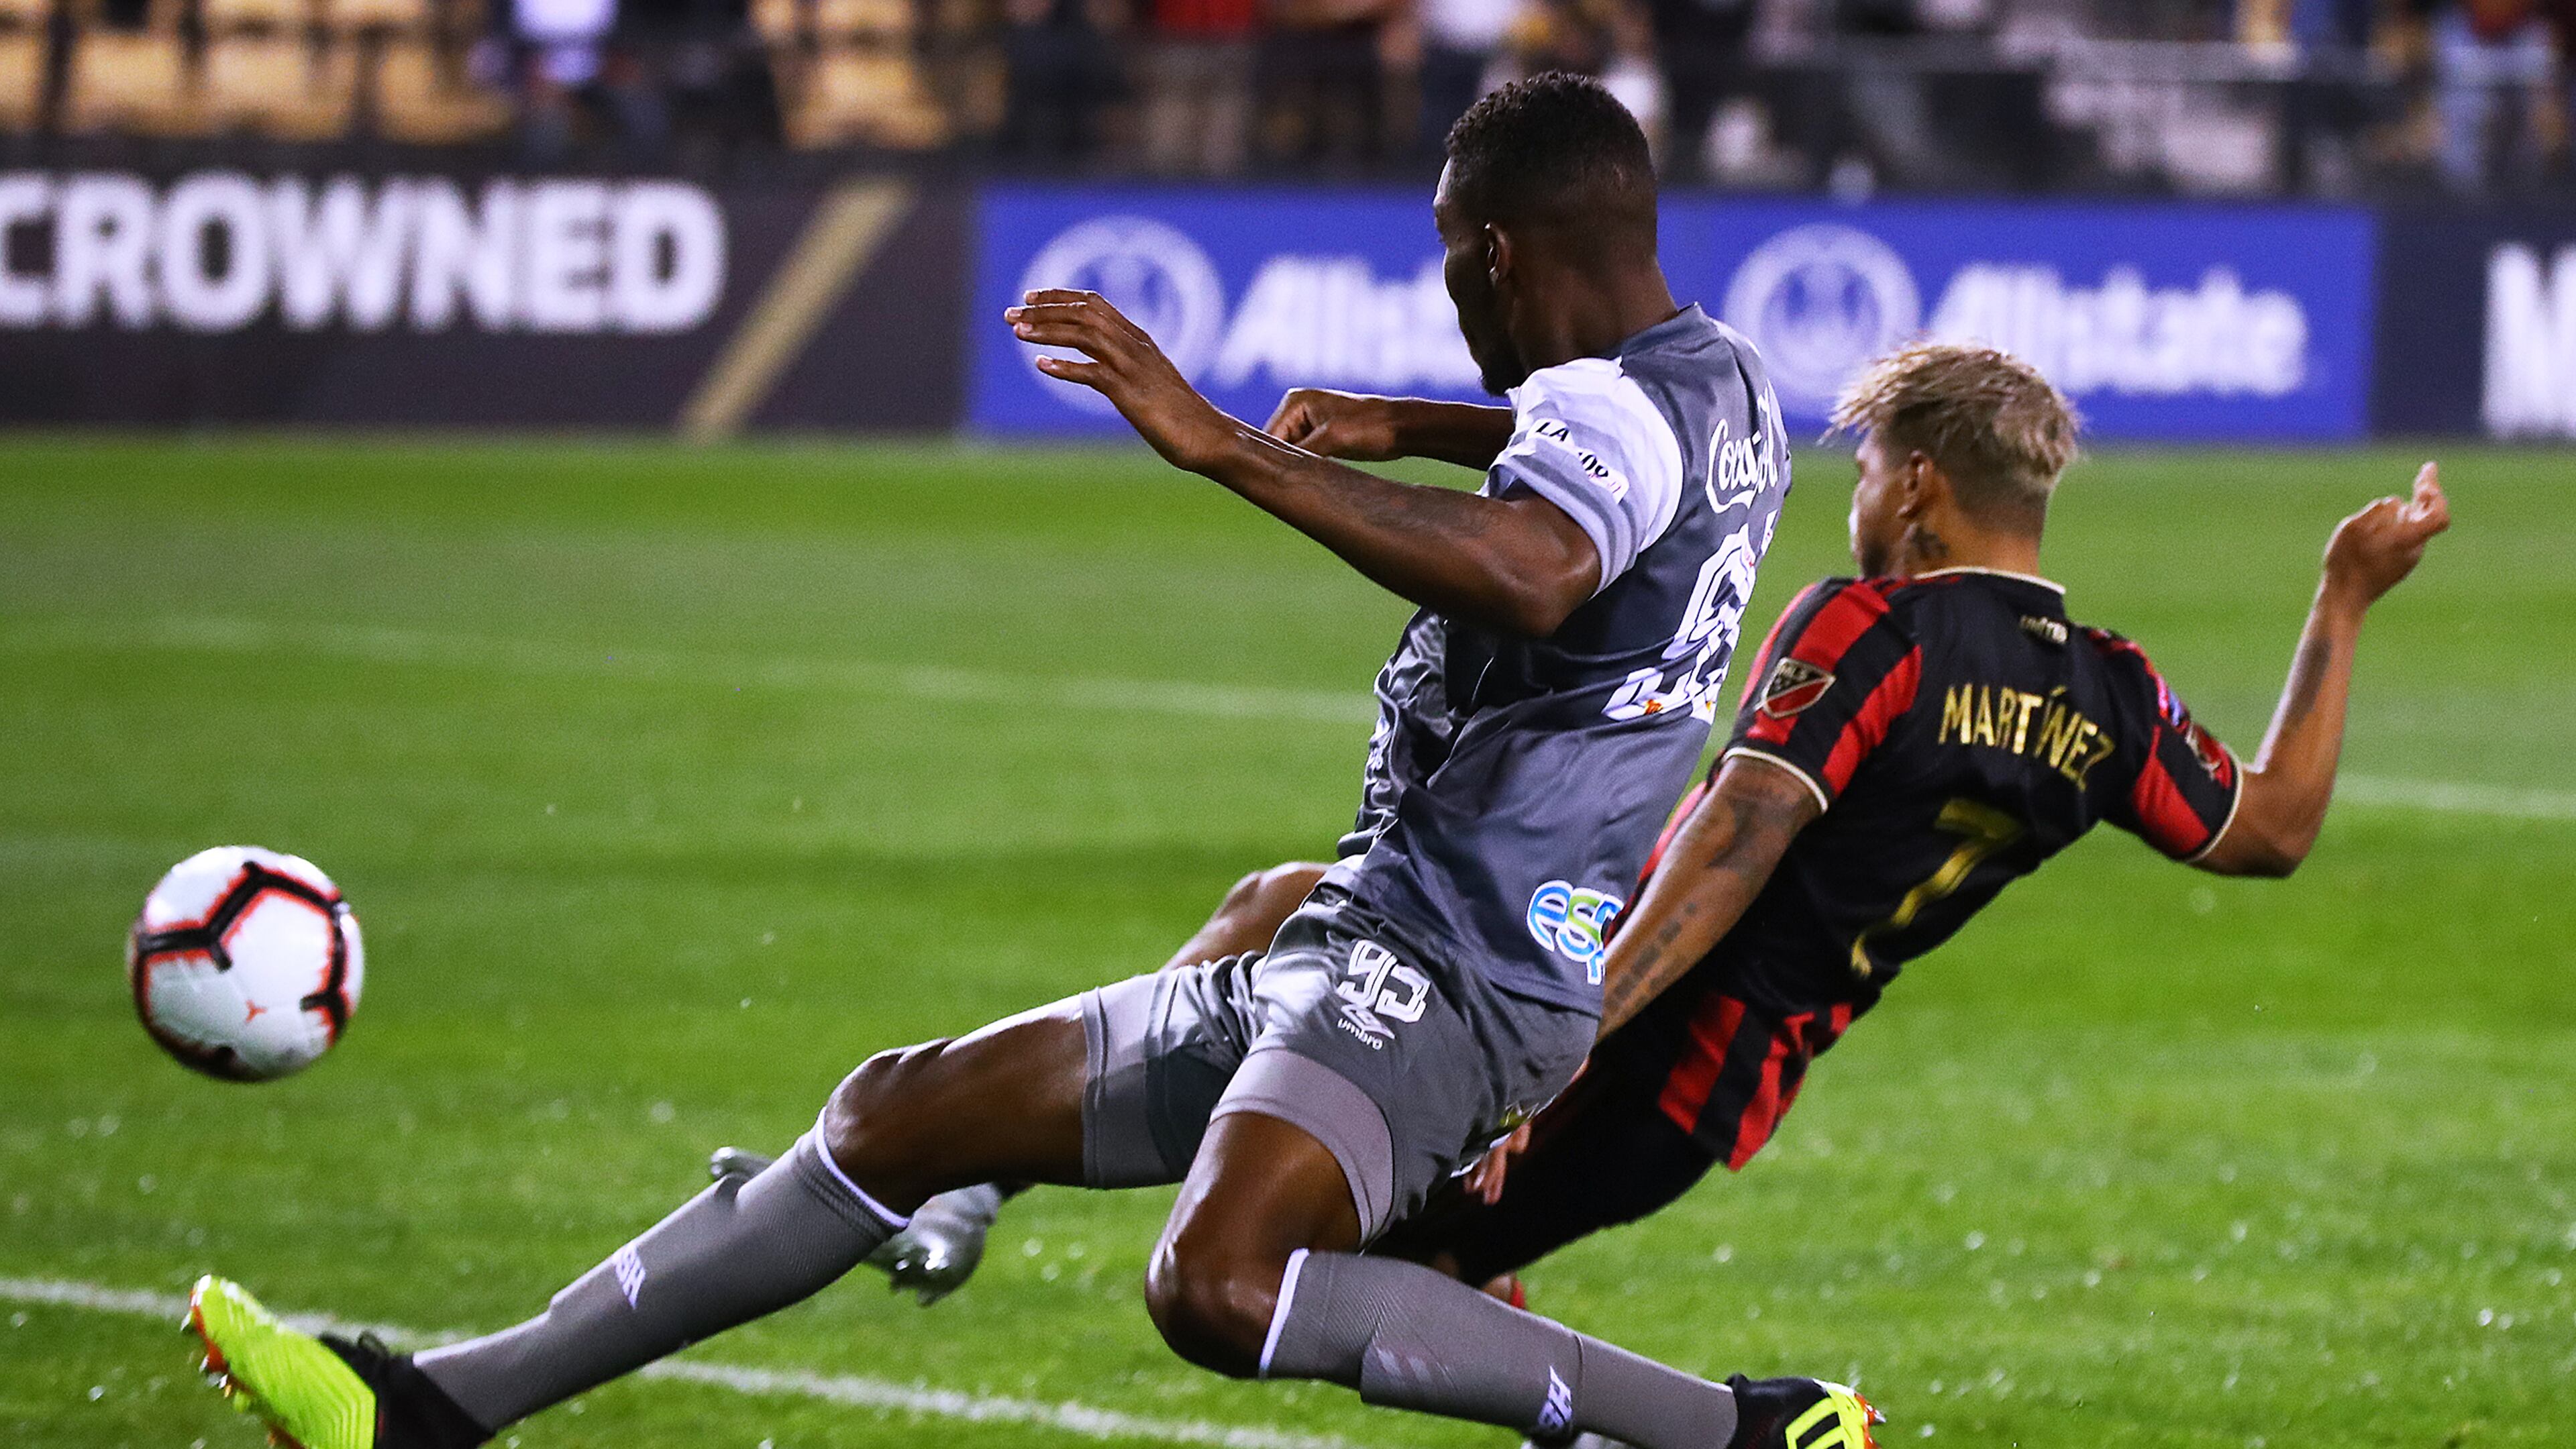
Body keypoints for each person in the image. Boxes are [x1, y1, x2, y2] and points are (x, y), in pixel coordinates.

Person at [181, 74, 1876, 1449]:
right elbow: (1606, 474)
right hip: (1397, 934)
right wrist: (1412, 421)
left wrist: (1219, 446)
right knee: (897, 1114)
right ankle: (437, 1410)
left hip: (1456, 967)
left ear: (1499, 254)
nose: (1452, 300)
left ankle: (1742, 1434)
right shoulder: (1718, 380)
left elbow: (1541, 568)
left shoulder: (1611, 416)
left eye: (1450, 268)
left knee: (1218, 1284)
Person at [812, 343, 2454, 1358]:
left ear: (1928, 490)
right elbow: (2275, 828)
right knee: (1278, 922)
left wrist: (1546, 1055)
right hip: (1709, 1087)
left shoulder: (1875, 629)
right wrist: (2344, 594)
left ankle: (956, 1177)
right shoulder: (2107, 691)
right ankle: (959, 1174)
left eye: (1873, 476)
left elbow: (1736, 844)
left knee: (1278, 1254)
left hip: (1619, 1033)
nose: (1856, 507)